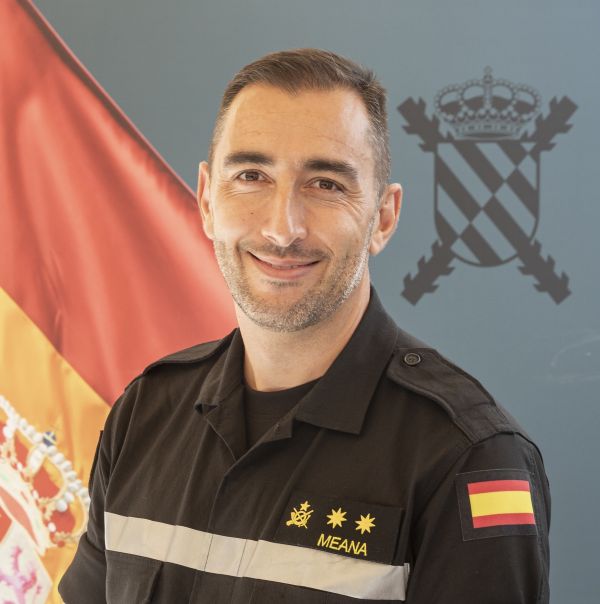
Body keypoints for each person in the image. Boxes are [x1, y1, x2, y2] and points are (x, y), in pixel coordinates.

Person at [59, 49, 550, 603]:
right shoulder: (144, 414)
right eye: (251, 176)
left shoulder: (468, 457)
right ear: (207, 200)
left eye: (326, 184)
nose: (281, 228)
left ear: (383, 218)